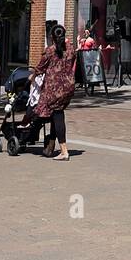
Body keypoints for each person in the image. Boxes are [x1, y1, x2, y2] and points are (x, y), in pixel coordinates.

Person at [31, 24, 76, 160]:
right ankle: (50, 146)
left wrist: (32, 77)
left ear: (52, 37)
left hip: (54, 88)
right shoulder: (71, 49)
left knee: (56, 116)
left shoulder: (50, 51)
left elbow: (40, 68)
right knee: (56, 115)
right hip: (68, 86)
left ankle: (64, 151)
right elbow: (73, 61)